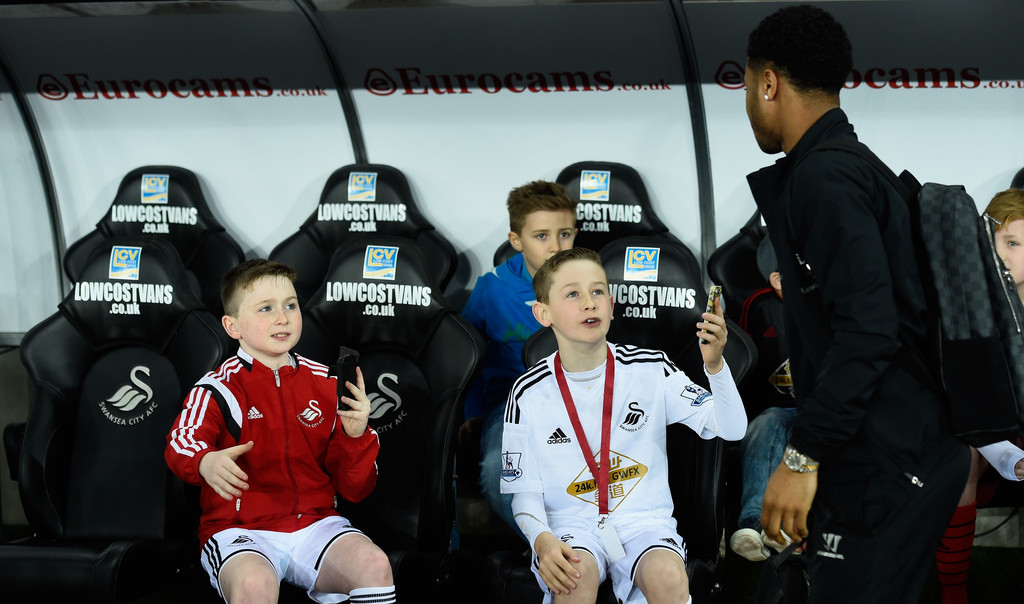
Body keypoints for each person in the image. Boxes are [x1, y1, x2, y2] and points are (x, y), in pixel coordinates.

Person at [743, 5, 971, 602]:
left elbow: (869, 330)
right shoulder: (844, 165)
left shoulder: (827, 178)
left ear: (768, 83)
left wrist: (802, 457)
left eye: (746, 86)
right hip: (895, 448)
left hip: (889, 456)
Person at [499, 247, 747, 604]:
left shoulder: (652, 368)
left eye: (598, 291)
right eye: (573, 294)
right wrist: (542, 540)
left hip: (643, 522)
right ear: (543, 313)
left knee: (667, 576)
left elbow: (732, 429)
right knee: (574, 577)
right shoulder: (528, 391)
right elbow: (523, 491)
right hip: (569, 527)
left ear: (612, 305)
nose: (589, 303)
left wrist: (715, 366)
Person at [165, 259, 395, 604]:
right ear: (232, 326)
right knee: (255, 584)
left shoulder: (328, 383)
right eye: (266, 308)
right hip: (238, 530)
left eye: (290, 305)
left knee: (374, 565)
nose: (282, 318)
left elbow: (356, 489)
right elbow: (181, 440)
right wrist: (204, 462)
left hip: (316, 524)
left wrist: (355, 436)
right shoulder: (216, 388)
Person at [459, 180, 578, 531]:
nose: (555, 246)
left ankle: (582, 542)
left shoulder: (591, 281)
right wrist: (473, 411)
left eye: (565, 234)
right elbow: (466, 357)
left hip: (580, 402)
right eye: (541, 236)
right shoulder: (492, 287)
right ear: (516, 240)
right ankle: (547, 545)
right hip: (511, 407)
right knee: (497, 471)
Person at [934, 189, 1024, 604]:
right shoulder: (965, 306)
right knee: (962, 456)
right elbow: (963, 398)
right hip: (981, 436)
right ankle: (954, 592)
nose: (1009, 256)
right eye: (1007, 241)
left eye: (1020, 245)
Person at [729, 235, 797, 562]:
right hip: (775, 411)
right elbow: (742, 364)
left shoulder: (830, 298)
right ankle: (754, 523)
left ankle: (790, 528)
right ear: (778, 278)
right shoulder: (757, 305)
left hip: (826, 410)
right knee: (764, 425)